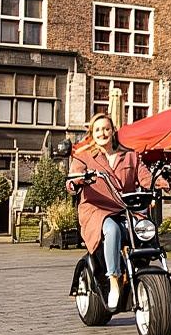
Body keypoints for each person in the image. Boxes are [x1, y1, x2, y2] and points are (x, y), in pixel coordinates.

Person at [66, 112, 161, 310]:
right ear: (92, 133)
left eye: (106, 128)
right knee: (112, 229)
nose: (103, 133)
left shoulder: (129, 156)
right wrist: (77, 181)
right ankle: (114, 279)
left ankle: (142, 269)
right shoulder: (83, 157)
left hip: (125, 208)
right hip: (96, 210)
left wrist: (159, 182)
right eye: (98, 129)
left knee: (143, 228)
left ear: (113, 130)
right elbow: (72, 179)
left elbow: (145, 177)